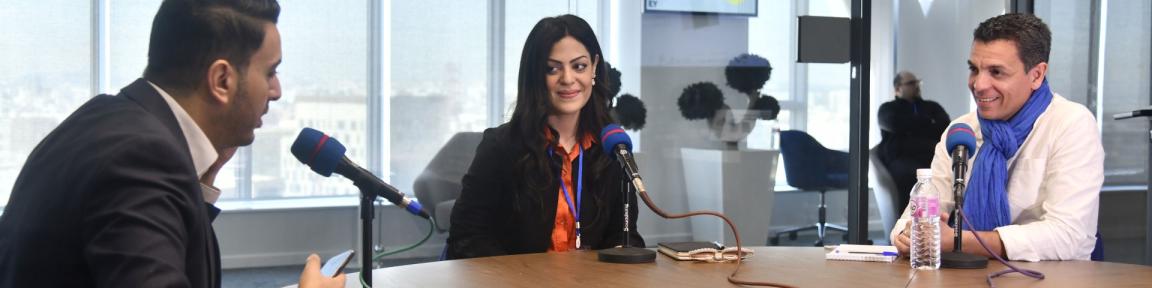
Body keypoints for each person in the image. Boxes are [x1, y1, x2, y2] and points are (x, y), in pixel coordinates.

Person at [0, 1, 344, 287]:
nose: (277, 91)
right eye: (270, 72)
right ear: (222, 80)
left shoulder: (107, 117)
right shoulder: (140, 159)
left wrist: (202, 181)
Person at [891, 13, 1104, 261]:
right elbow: (917, 212)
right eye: (974, 69)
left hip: (1048, 276)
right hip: (965, 275)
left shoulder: (1071, 123)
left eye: (996, 72)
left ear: (1036, 75)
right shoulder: (961, 129)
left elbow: (1070, 237)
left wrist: (959, 241)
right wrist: (908, 235)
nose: (979, 84)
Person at [446, 14, 645, 259]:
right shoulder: (501, 147)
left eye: (579, 66)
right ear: (536, 75)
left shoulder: (612, 148)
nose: (568, 79)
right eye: (552, 69)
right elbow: (466, 237)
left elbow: (626, 237)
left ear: (594, 67)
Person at [876, 71, 950, 215]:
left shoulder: (932, 106)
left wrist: (912, 126)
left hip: (930, 157)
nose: (916, 85)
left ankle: (939, 220)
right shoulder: (888, 109)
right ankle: (909, 223)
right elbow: (895, 124)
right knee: (914, 178)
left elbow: (944, 127)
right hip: (900, 158)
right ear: (898, 88)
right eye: (911, 83)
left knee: (945, 176)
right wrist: (928, 122)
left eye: (917, 82)